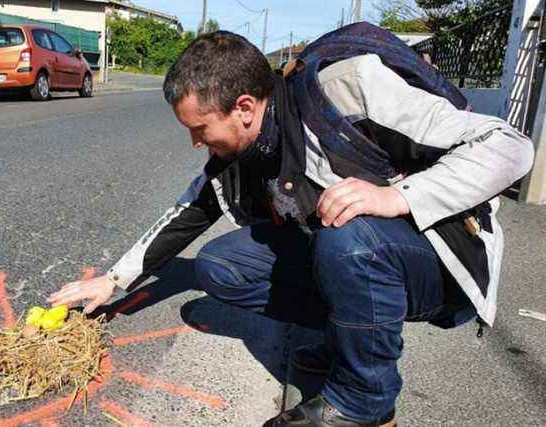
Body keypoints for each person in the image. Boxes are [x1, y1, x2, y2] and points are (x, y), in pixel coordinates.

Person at [48, 30, 534, 426]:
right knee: (221, 266)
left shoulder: (350, 88)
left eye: (199, 128)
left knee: (347, 230)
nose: (195, 143)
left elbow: (510, 147)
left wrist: (396, 198)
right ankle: (347, 340)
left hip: (440, 264)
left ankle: (365, 404)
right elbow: (185, 214)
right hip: (359, 254)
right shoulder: (240, 153)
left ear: (243, 107)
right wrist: (112, 280)